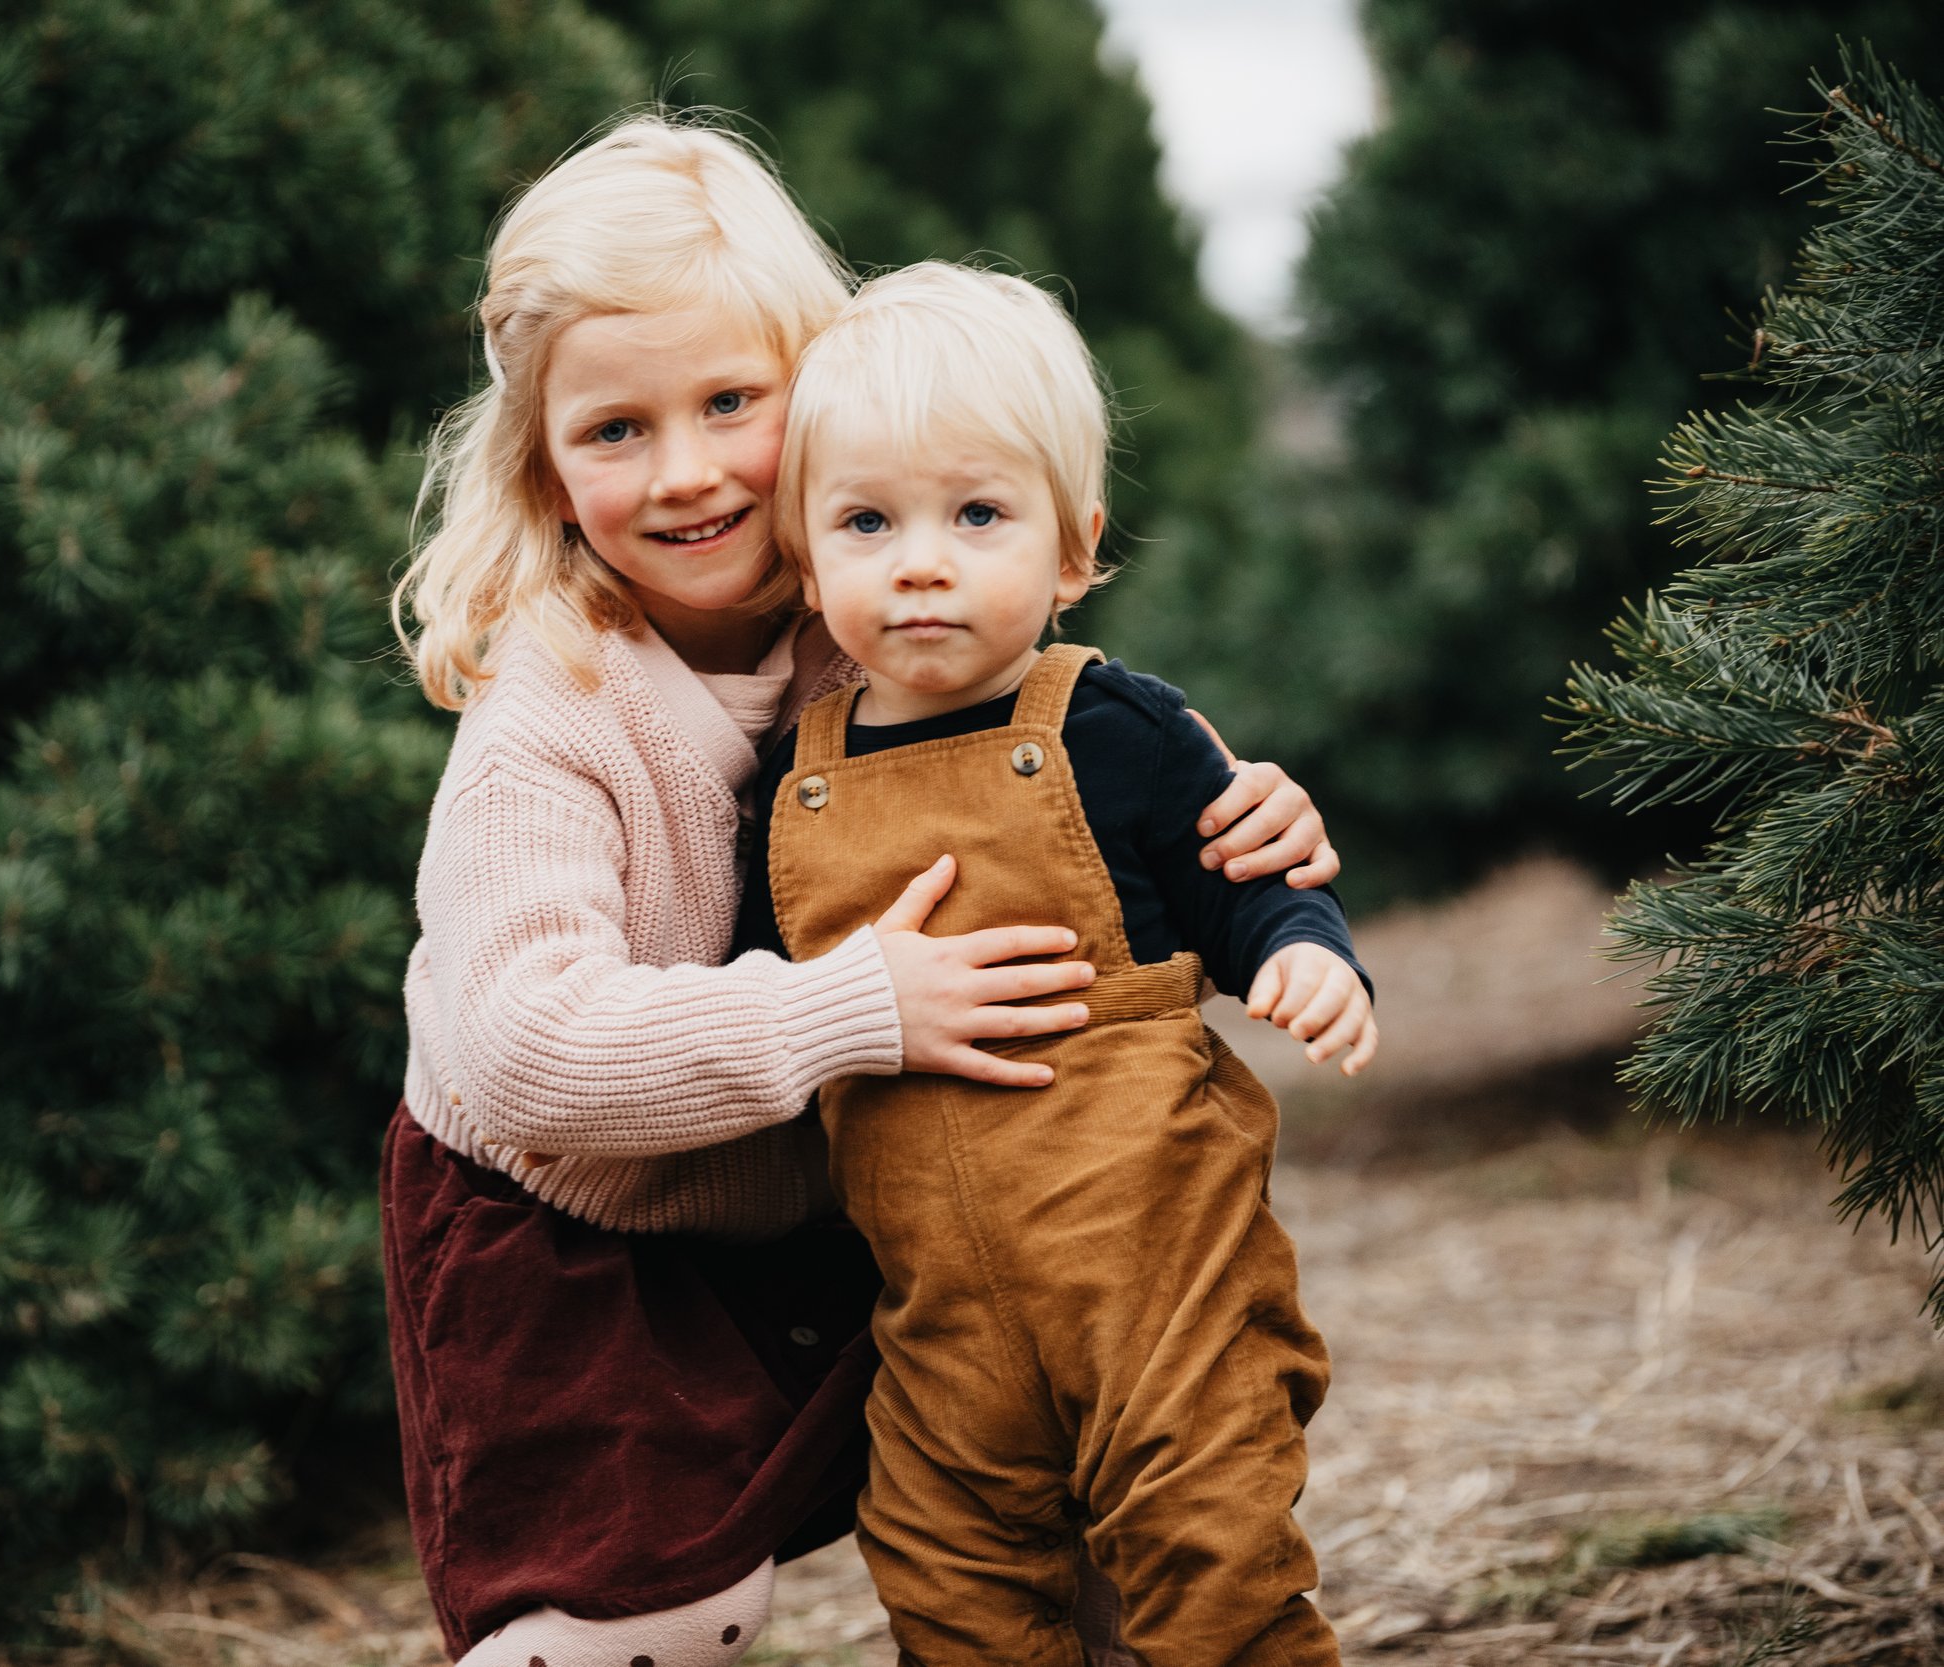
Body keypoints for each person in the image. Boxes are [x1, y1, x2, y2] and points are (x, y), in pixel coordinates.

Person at [386, 116, 1343, 1667]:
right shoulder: (551, 720)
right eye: (616, 429)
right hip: (570, 1226)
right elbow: (523, 1052)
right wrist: (855, 1005)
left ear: (816, 402)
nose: (687, 470)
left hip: (827, 1188)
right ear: (546, 469)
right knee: (644, 1627)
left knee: (1068, 1491)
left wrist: (1248, 822)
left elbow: (1087, 754)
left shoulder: (867, 598)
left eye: (731, 403)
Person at [738, 261, 1377, 1667]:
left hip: (1155, 1278)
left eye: (978, 515)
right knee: (949, 1586)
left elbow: (1251, 875)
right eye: (867, 521)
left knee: (1214, 1559)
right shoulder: (791, 784)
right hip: (936, 1319)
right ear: (806, 553)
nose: (922, 559)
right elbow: (753, 1002)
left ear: (1074, 548)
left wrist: (1312, 955)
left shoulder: (1116, 729)